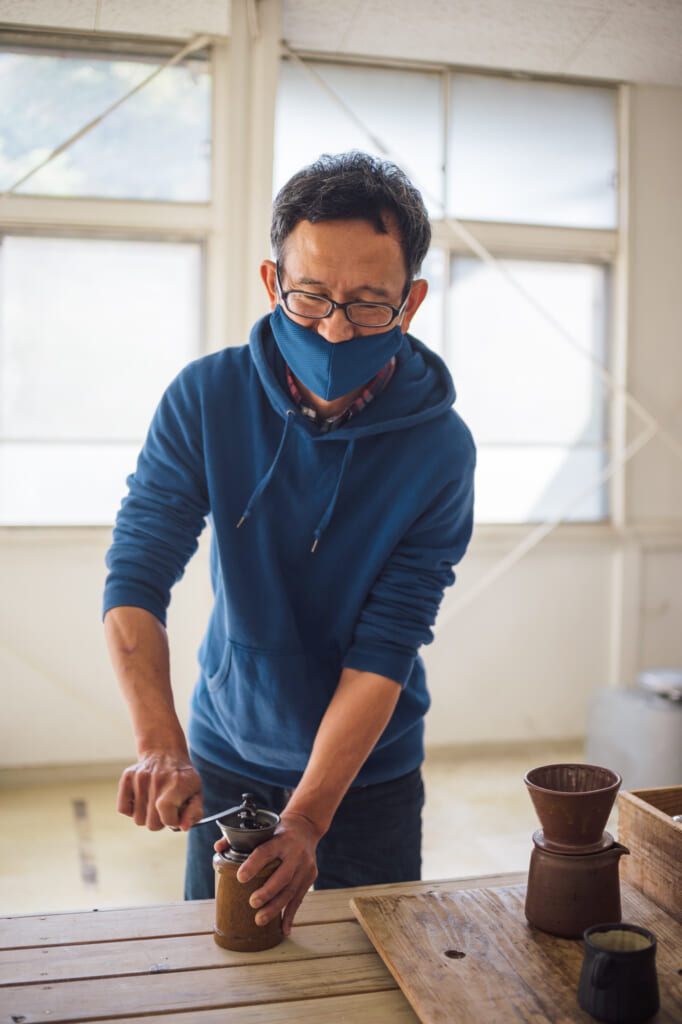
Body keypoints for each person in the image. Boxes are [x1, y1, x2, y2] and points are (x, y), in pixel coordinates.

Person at [103, 151, 475, 937]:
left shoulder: (440, 450)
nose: (335, 328)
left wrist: (308, 819)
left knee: (368, 968)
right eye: (311, 297)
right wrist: (160, 743)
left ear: (411, 302)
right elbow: (137, 575)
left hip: (367, 777)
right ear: (273, 283)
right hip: (227, 750)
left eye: (369, 304)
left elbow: (388, 645)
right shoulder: (207, 399)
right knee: (224, 964)